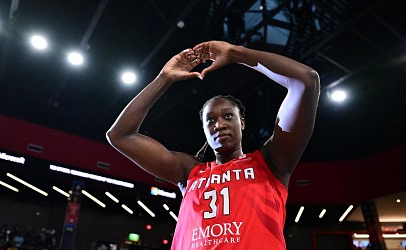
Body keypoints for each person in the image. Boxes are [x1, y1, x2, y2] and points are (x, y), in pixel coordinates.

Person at [106, 40, 320, 249]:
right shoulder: (189, 171)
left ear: (242, 122)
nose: (219, 124)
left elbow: (306, 80)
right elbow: (120, 135)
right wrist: (164, 78)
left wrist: (236, 53)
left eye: (228, 116)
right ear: (204, 129)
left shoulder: (271, 162)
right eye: (210, 120)